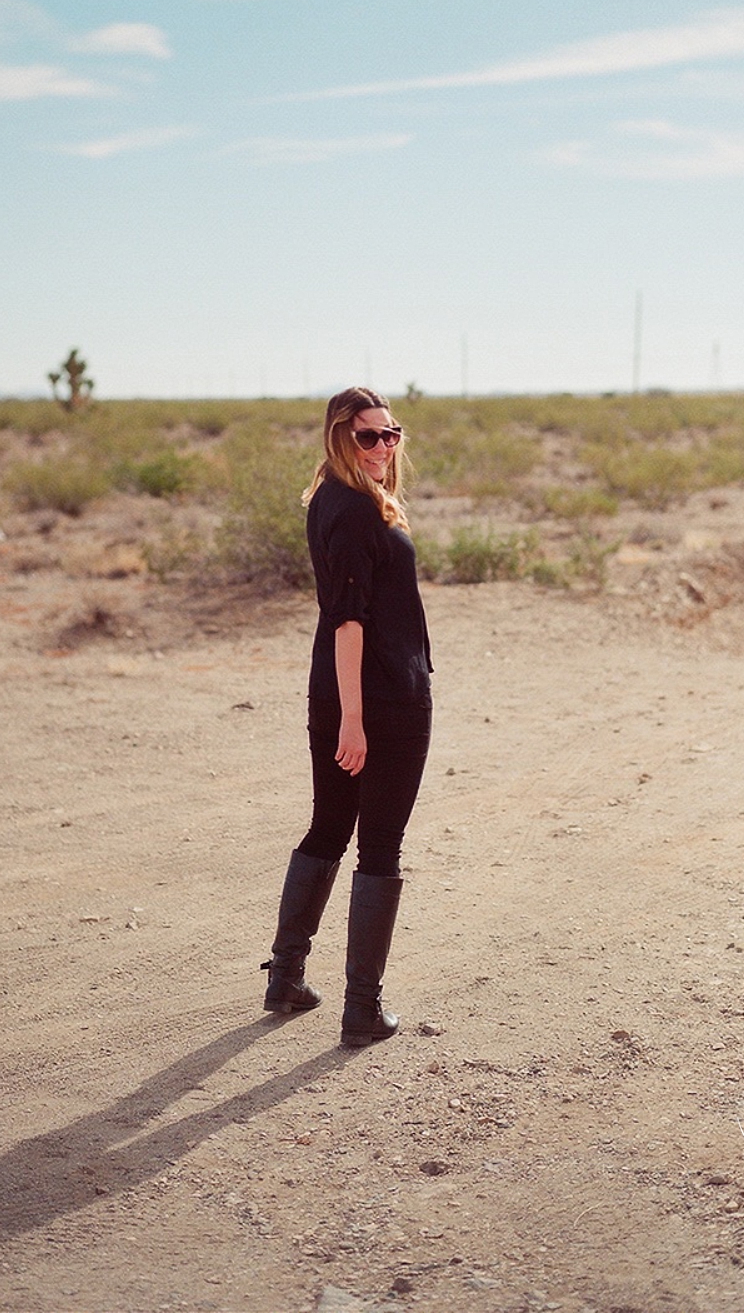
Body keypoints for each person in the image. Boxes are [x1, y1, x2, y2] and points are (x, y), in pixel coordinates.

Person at [261, 387, 433, 1047]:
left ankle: (285, 979)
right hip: (382, 702)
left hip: (338, 694)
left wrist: (345, 712)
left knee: (329, 826)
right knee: (378, 845)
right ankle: (362, 1010)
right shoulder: (356, 512)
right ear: (339, 438)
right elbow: (350, 621)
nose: (384, 447)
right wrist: (356, 720)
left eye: (392, 435)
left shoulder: (329, 501)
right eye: (368, 437)